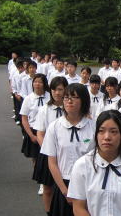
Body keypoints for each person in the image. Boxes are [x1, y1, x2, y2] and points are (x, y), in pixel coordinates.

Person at [67, 110, 121, 216]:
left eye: (113, 131)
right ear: (95, 134)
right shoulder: (82, 165)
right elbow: (78, 207)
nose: (107, 137)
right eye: (101, 131)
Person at [40, 83, 96, 216]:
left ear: (84, 100)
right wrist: (65, 191)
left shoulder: (94, 127)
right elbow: (52, 162)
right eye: (66, 97)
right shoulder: (55, 127)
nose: (69, 101)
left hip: (89, 183)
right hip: (64, 183)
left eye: (74, 97)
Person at [33, 76, 68, 213]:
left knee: (66, 188)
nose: (57, 92)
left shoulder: (71, 108)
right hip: (48, 153)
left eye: (60, 89)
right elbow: (40, 134)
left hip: (66, 152)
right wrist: (49, 150)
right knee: (48, 188)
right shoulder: (44, 109)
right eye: (54, 89)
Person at [20, 74, 50, 160]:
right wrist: (31, 135)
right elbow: (24, 119)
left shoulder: (50, 96)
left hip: (47, 130)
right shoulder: (28, 98)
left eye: (40, 82)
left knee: (49, 157)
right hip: (34, 130)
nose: (37, 84)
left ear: (44, 83)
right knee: (36, 158)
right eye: (35, 82)